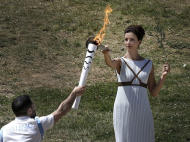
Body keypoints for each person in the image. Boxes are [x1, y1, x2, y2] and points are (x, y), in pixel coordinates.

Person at [101, 25, 170, 142]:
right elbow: (110, 63)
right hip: (123, 108)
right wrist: (106, 54)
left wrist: (163, 77)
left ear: (139, 42)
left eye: (132, 39)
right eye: (126, 39)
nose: (128, 42)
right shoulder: (120, 62)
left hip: (142, 109)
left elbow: (153, 92)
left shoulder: (148, 64)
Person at [0, 86, 85, 142]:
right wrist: (74, 93)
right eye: (33, 105)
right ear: (29, 111)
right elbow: (62, 110)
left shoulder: (4, 130)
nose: (35, 106)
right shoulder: (37, 124)